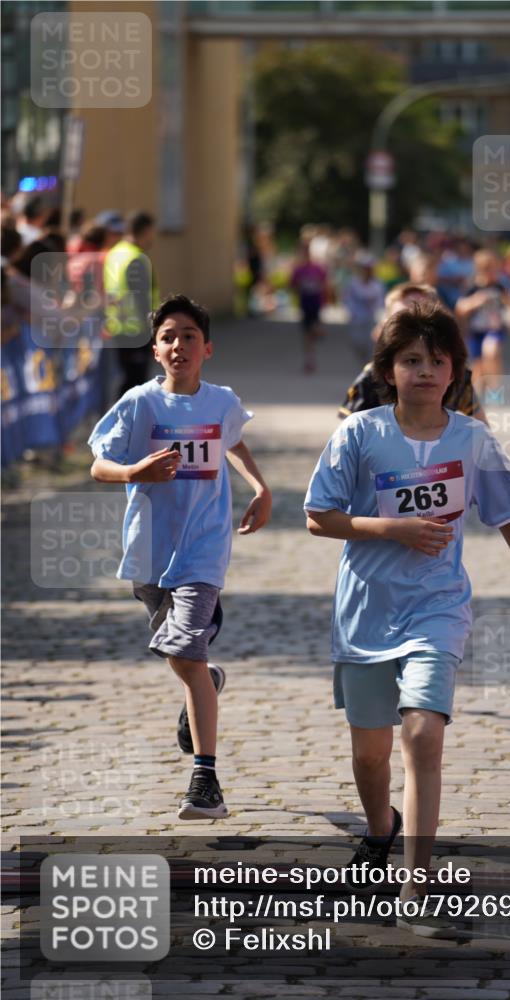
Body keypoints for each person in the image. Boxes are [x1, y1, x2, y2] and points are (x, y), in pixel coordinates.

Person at [305, 301, 510, 935]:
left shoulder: (471, 439)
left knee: (423, 735)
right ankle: (378, 827)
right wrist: (391, 528)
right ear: (388, 370)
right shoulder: (359, 434)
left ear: (454, 372)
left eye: (436, 360)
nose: (424, 370)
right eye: (411, 359)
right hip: (365, 612)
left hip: (438, 608)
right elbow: (318, 516)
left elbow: (507, 513)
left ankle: (415, 886)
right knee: (370, 756)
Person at [88, 294, 272, 819]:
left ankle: (205, 778)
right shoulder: (139, 403)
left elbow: (233, 442)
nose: (178, 345)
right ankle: (207, 683)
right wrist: (132, 472)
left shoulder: (222, 402)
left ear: (207, 348)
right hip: (149, 551)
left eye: (188, 336)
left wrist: (261, 488)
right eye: (168, 337)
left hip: (203, 549)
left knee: (184, 652)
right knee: (185, 659)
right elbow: (99, 465)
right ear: (155, 349)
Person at [338, 282, 486, 424]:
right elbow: (348, 436)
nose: (417, 332)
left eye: (425, 321)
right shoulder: (372, 377)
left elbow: (484, 434)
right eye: (404, 322)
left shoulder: (453, 373)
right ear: (384, 329)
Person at [103, 211, 160, 396]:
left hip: (117, 326)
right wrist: (152, 328)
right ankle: (130, 423)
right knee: (135, 383)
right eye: (152, 232)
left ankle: (124, 420)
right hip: (136, 330)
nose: (153, 237)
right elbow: (141, 297)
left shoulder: (115, 253)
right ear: (144, 231)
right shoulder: (135, 258)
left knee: (125, 379)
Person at [455, 249, 510, 396]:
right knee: (478, 366)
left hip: (495, 328)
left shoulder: (499, 286)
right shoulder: (472, 286)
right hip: (476, 329)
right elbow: (460, 308)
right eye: (491, 269)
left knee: (491, 351)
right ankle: (478, 396)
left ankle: (495, 389)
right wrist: (476, 301)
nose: (495, 273)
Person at [290, 241, 328, 374]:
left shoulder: (317, 268)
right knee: (306, 332)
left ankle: (317, 334)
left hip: (315, 302)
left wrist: (324, 299)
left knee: (313, 329)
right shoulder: (298, 269)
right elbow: (292, 285)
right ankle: (309, 359)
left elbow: (325, 284)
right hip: (305, 303)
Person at [342, 253, 385, 363]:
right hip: (356, 318)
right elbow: (347, 299)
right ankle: (362, 359)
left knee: (371, 343)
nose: (366, 271)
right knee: (357, 342)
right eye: (364, 268)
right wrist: (351, 311)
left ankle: (369, 365)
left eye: (368, 268)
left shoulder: (378, 284)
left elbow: (380, 300)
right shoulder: (353, 283)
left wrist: (377, 311)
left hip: (371, 318)